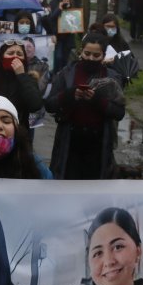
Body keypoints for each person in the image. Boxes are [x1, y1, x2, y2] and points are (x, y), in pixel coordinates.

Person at [45, 33, 125, 179]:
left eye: (96, 55)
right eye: (87, 53)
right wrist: (69, 95)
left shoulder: (112, 77)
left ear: (104, 55)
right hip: (69, 141)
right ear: (80, 52)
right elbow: (50, 105)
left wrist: (97, 100)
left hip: (98, 144)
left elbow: (119, 112)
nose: (91, 58)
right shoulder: (66, 73)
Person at [47, 0, 77, 74]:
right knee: (58, 56)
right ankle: (55, 72)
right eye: (64, 1)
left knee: (65, 58)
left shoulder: (73, 12)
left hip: (68, 39)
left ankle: (63, 74)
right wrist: (59, 9)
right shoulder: (58, 11)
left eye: (67, 1)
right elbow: (52, 18)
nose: (66, 2)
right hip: (59, 38)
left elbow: (76, 25)